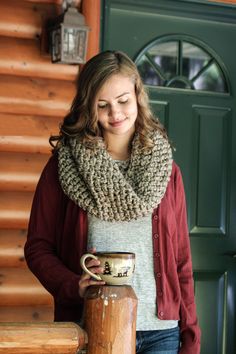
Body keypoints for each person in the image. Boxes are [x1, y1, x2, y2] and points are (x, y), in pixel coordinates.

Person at [24, 50, 201, 354]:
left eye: (123, 101)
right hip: (91, 326)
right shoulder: (64, 167)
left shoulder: (167, 171)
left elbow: (181, 261)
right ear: (88, 106)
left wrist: (191, 333)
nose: (115, 113)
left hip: (161, 332)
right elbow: (38, 247)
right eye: (103, 105)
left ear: (137, 95)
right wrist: (73, 284)